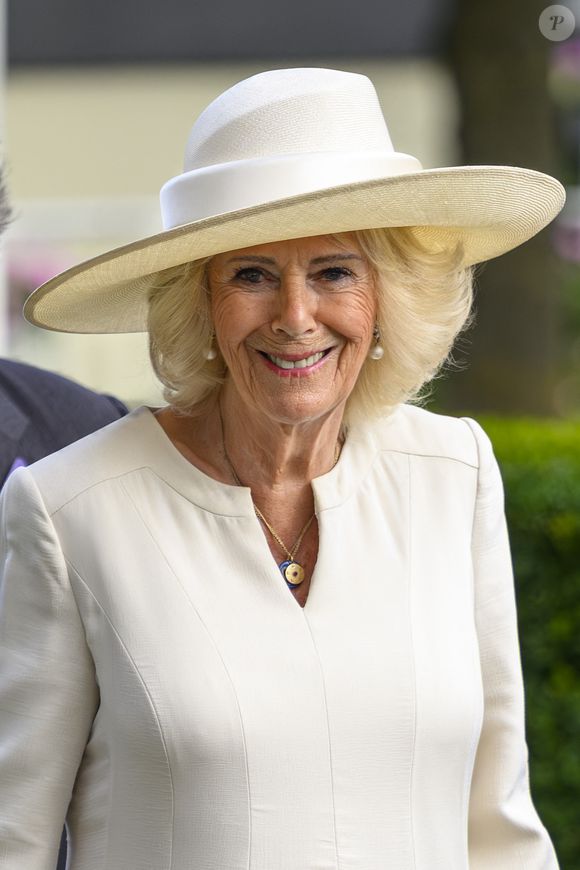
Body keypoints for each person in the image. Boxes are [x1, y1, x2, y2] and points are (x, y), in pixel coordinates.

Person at [0, 68, 564, 869]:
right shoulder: (71, 508)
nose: (296, 319)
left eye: (334, 271)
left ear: (386, 297)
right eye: (252, 275)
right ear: (200, 301)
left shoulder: (455, 473)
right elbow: (14, 842)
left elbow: (500, 828)